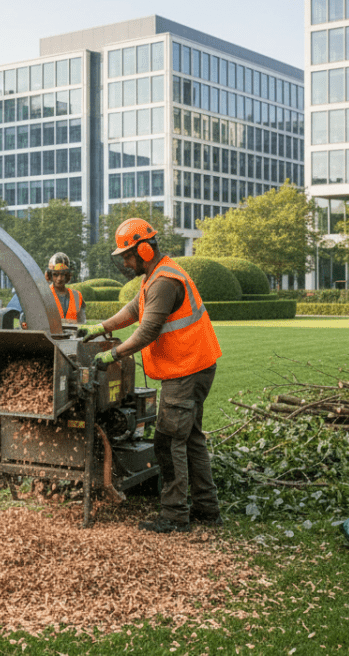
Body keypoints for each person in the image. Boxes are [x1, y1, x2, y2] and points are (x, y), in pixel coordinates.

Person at [76, 218, 223, 533]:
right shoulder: (155, 276)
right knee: (191, 439)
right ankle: (207, 509)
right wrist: (101, 328)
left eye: (128, 255)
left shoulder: (164, 282)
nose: (126, 262)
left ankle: (174, 515)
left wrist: (113, 353)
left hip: (186, 370)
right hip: (195, 365)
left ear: (144, 248)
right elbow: (132, 311)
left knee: (168, 441)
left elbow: (147, 331)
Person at [21, 253, 86, 329]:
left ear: (67, 276)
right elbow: (26, 320)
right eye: (55, 274)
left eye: (63, 274)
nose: (59, 278)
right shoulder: (42, 295)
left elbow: (82, 322)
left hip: (73, 338)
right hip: (49, 337)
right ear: (50, 275)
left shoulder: (77, 295)